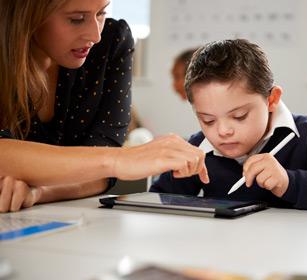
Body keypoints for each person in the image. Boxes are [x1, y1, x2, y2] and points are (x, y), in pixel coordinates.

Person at [0, 0, 209, 213]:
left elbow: (101, 173)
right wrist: (121, 159)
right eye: (76, 19)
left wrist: (37, 192)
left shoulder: (111, 40)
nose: (94, 36)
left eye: (101, 13)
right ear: (27, 14)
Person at [150, 39, 307, 214]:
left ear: (272, 99)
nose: (222, 131)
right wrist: (174, 176)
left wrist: (289, 182)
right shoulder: (199, 147)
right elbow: (155, 205)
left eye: (239, 116)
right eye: (207, 120)